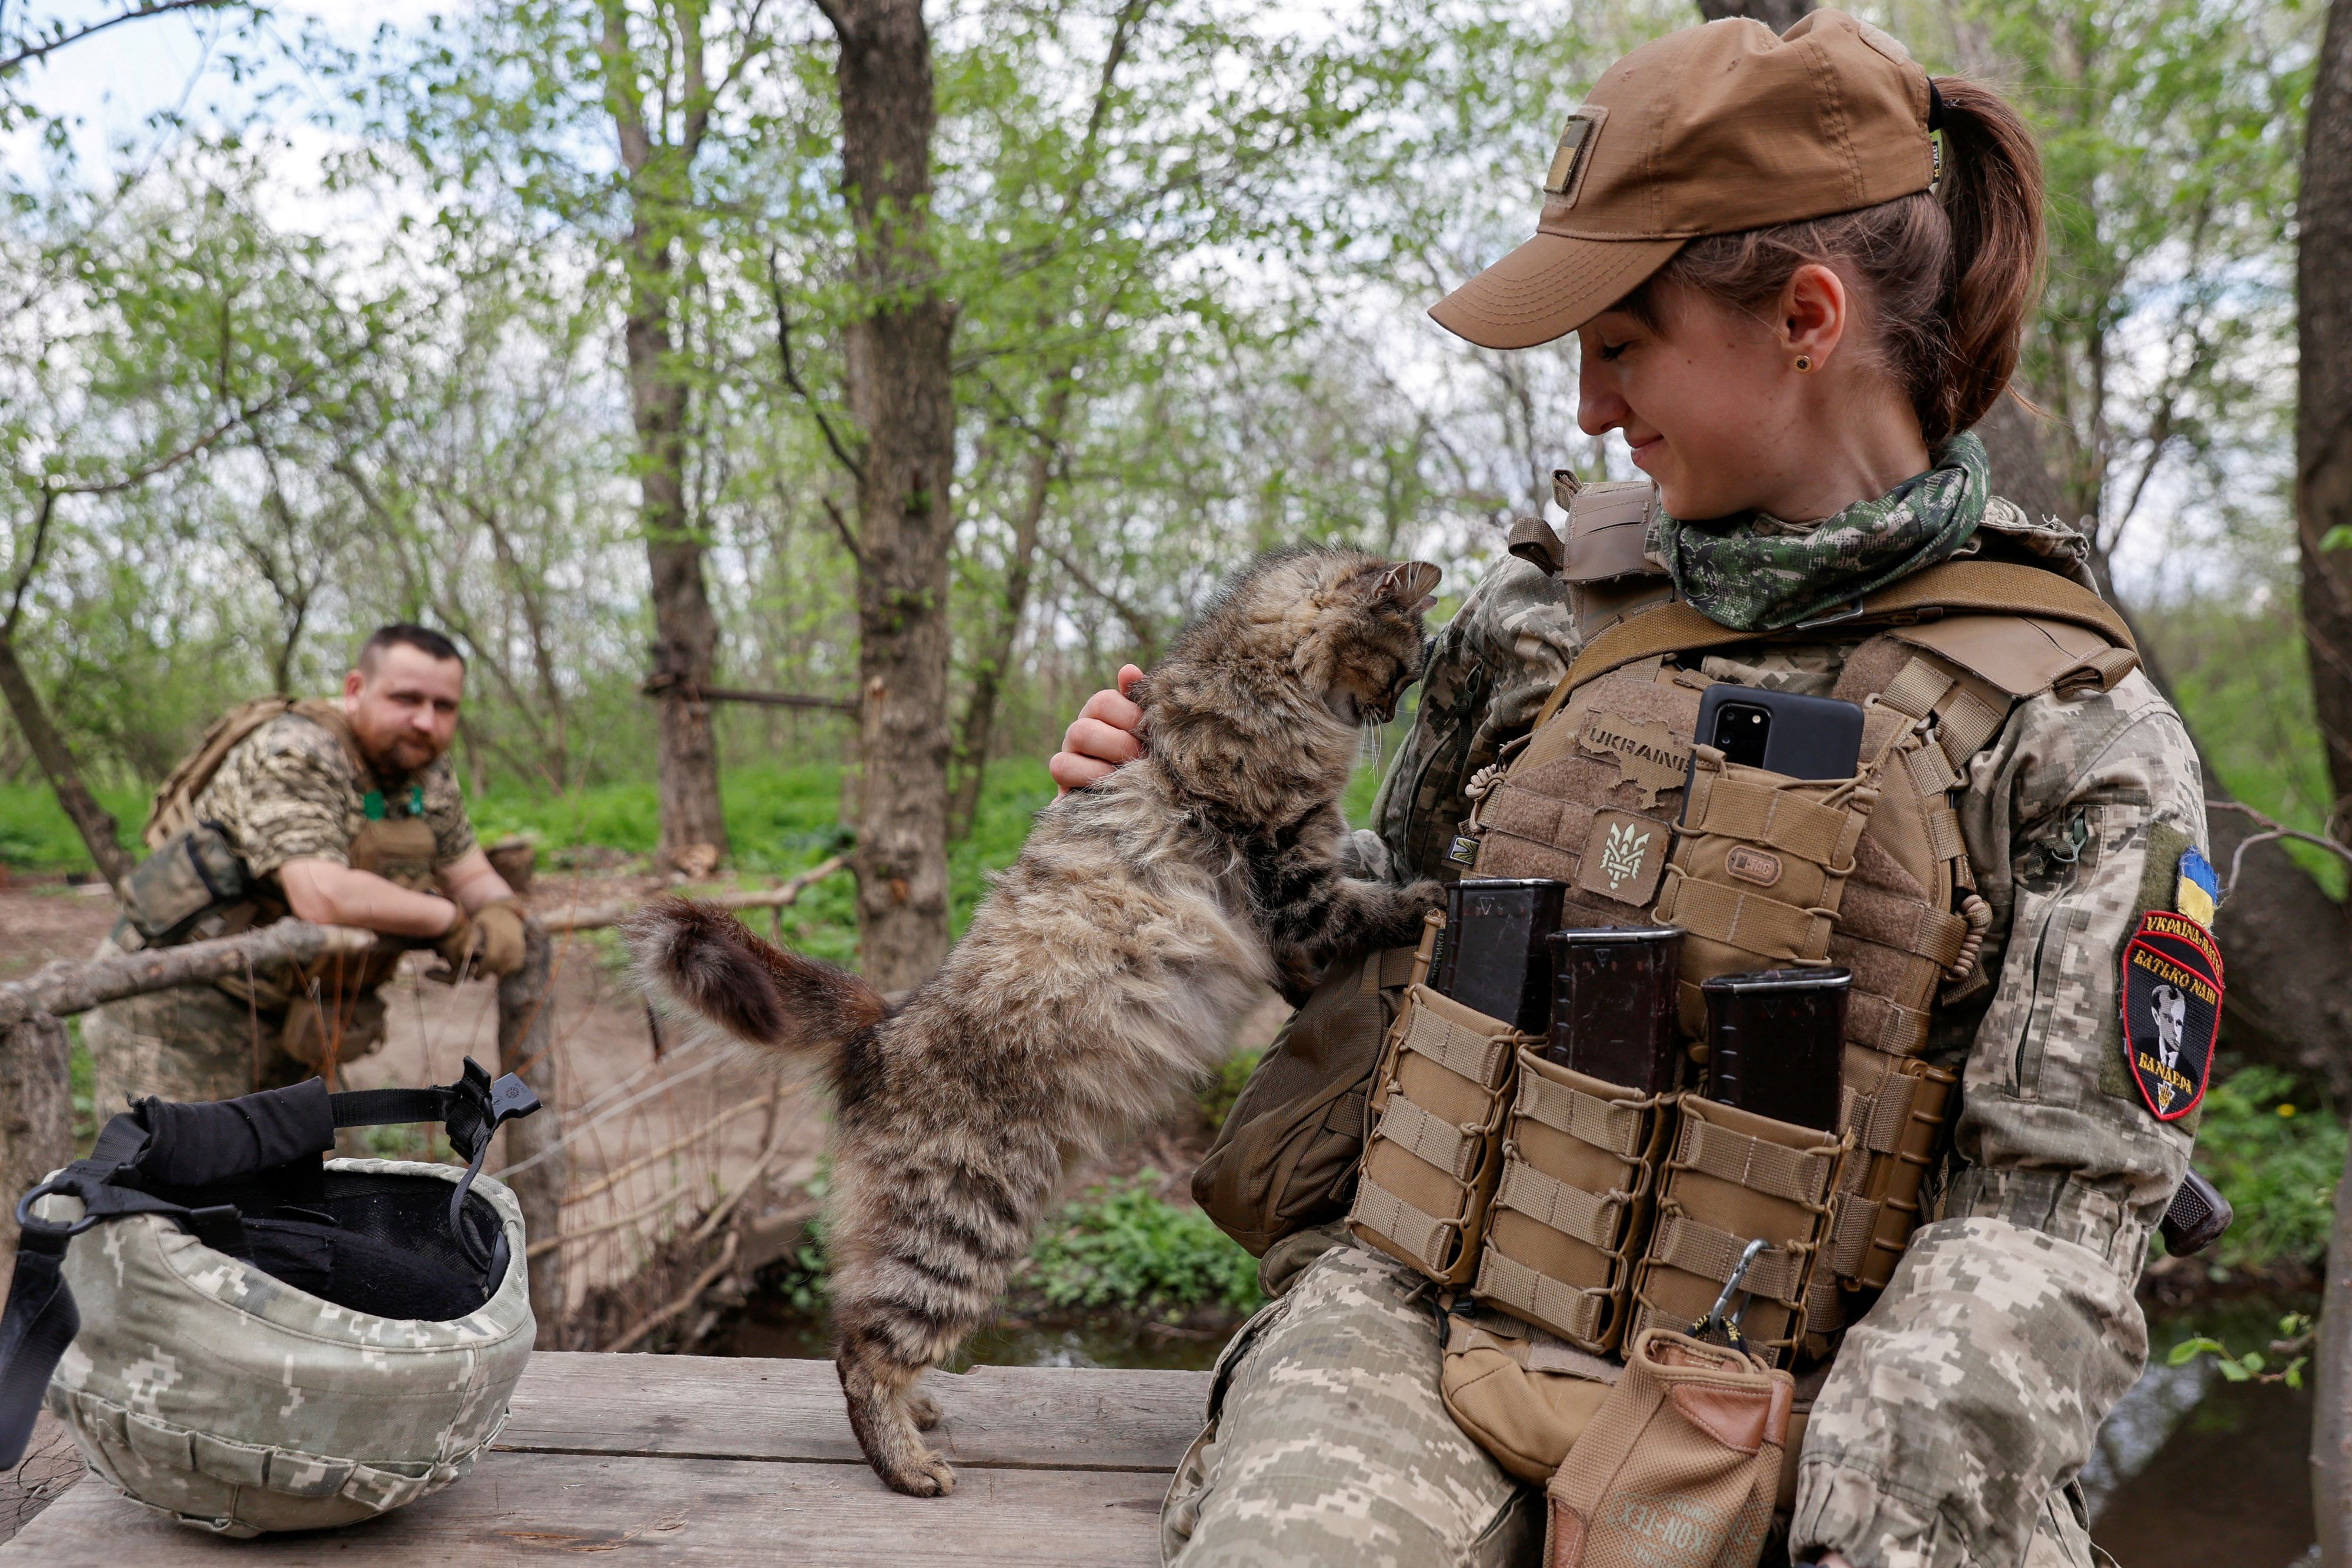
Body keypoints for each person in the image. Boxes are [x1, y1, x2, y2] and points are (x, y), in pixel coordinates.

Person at [1054, 14, 2201, 1568]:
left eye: (1623, 342)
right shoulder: (1542, 629)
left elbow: (2051, 1219)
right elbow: (1372, 953)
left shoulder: (2074, 728)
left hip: (1839, 1399)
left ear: (1807, 316)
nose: (1590, 407)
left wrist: (1846, 1517)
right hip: (1433, 1326)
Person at [85, 624, 529, 1109]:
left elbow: (469, 871)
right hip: (179, 1004)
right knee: (161, 1176)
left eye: (444, 706)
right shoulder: (297, 749)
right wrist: (447, 920)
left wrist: (501, 912)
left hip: (296, 1011)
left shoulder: (428, 771)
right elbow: (320, 894)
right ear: (356, 689)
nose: (426, 721)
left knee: (285, 1179)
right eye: (407, 699)